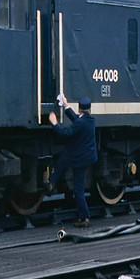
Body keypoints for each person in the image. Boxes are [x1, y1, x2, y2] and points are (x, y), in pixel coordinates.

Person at [47, 94, 97, 227]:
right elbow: (77, 120)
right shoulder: (90, 120)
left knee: (78, 189)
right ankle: (53, 180)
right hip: (86, 156)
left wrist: (55, 123)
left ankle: (84, 217)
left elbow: (65, 133)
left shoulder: (80, 123)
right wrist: (65, 105)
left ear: (80, 109)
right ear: (89, 109)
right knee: (64, 156)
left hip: (80, 159)